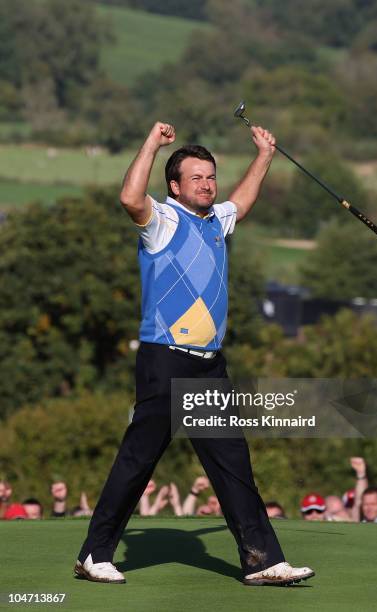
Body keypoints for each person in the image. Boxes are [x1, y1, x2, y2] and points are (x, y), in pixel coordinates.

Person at [75, 121, 314, 587]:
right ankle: (94, 553)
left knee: (232, 462)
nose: (207, 184)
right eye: (196, 178)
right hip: (165, 361)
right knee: (139, 460)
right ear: (175, 186)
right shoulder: (161, 221)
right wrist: (150, 142)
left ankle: (262, 560)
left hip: (208, 366)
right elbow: (129, 198)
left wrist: (264, 155)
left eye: (211, 176)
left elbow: (241, 203)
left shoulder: (215, 221)